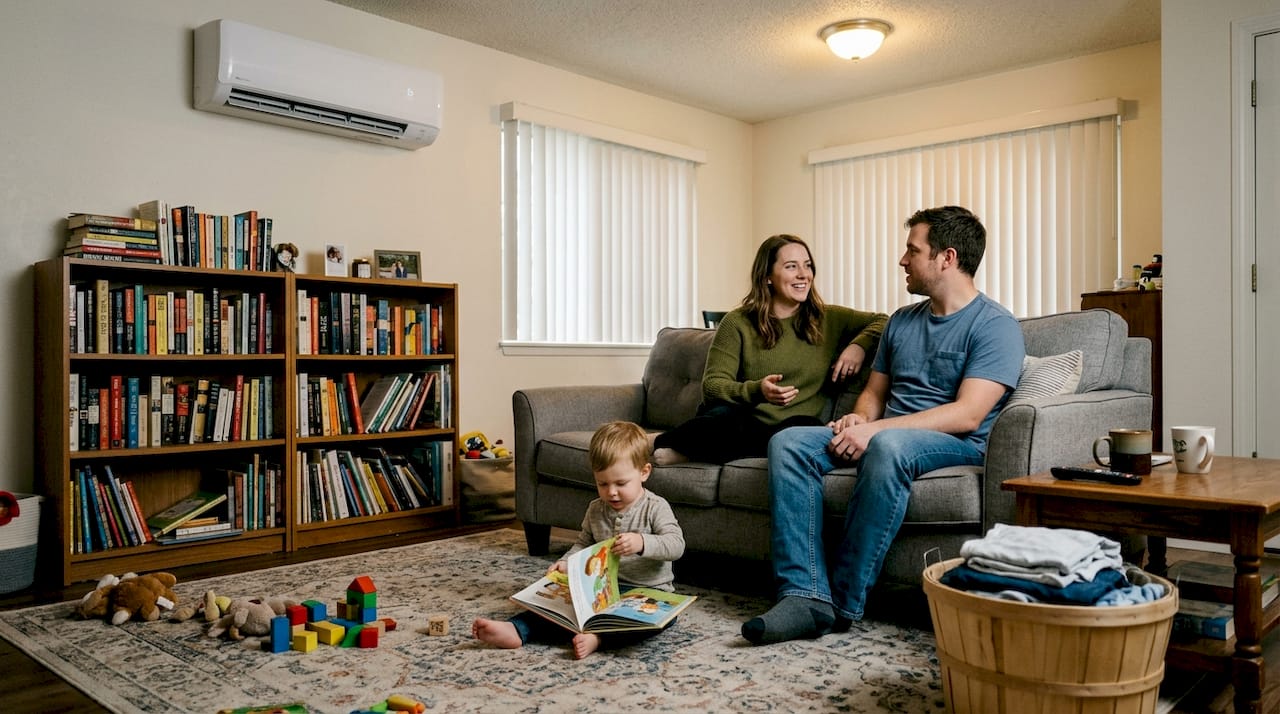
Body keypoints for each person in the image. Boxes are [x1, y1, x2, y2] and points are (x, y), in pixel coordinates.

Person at [742, 205, 1025, 644]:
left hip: (958, 443)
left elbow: (968, 413)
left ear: (946, 258)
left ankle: (842, 604)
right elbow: (875, 391)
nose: (902, 260)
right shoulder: (901, 321)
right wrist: (861, 417)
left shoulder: (995, 326)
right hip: (889, 434)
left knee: (889, 448)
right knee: (791, 442)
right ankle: (804, 594)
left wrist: (875, 432)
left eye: (913, 250)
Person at [651, 235, 887, 465]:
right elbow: (712, 386)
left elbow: (884, 320)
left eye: (807, 266)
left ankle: (692, 450)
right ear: (767, 277)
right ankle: (656, 444)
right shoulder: (737, 322)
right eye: (791, 266)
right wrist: (757, 391)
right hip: (741, 419)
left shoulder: (828, 318)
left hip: (789, 427)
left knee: (802, 429)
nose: (803, 274)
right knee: (725, 422)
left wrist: (858, 346)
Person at [473, 420, 686, 659]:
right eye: (602, 483)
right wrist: (567, 564)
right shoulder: (596, 509)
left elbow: (676, 544)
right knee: (557, 607)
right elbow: (583, 543)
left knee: (653, 621)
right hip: (601, 591)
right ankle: (517, 629)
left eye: (621, 483)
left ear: (644, 472)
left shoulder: (655, 507)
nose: (611, 491)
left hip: (647, 593)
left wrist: (643, 543)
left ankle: (599, 638)